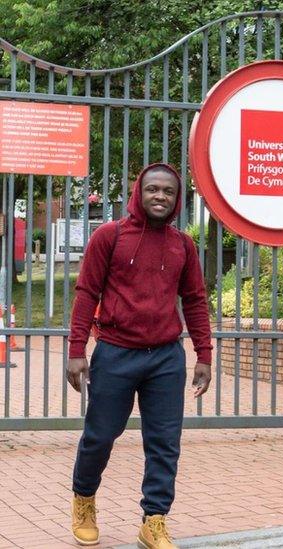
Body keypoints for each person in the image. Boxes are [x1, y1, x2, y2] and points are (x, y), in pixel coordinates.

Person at [67, 163, 213, 549]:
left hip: (165, 358)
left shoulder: (183, 245)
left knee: (165, 442)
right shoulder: (109, 236)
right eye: (153, 189)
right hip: (116, 354)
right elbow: (87, 293)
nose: (160, 196)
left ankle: (154, 520)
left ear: (176, 198)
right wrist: (77, 349)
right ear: (139, 193)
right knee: (100, 436)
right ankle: (84, 499)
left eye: (167, 191)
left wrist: (204, 354)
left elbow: (195, 300)